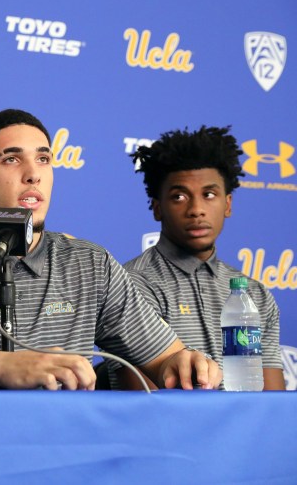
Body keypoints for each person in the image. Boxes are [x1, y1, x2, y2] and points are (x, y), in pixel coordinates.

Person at [0, 109, 220, 391]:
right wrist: (1, 367)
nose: (33, 174)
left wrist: (185, 364)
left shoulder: (90, 264)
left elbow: (165, 360)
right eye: (11, 160)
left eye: (44, 159)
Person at [113, 126, 284, 390]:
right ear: (157, 209)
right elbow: (143, 404)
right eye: (179, 196)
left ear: (227, 204)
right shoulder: (130, 286)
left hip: (247, 431)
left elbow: (272, 403)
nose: (196, 210)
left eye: (209, 195)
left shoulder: (255, 294)